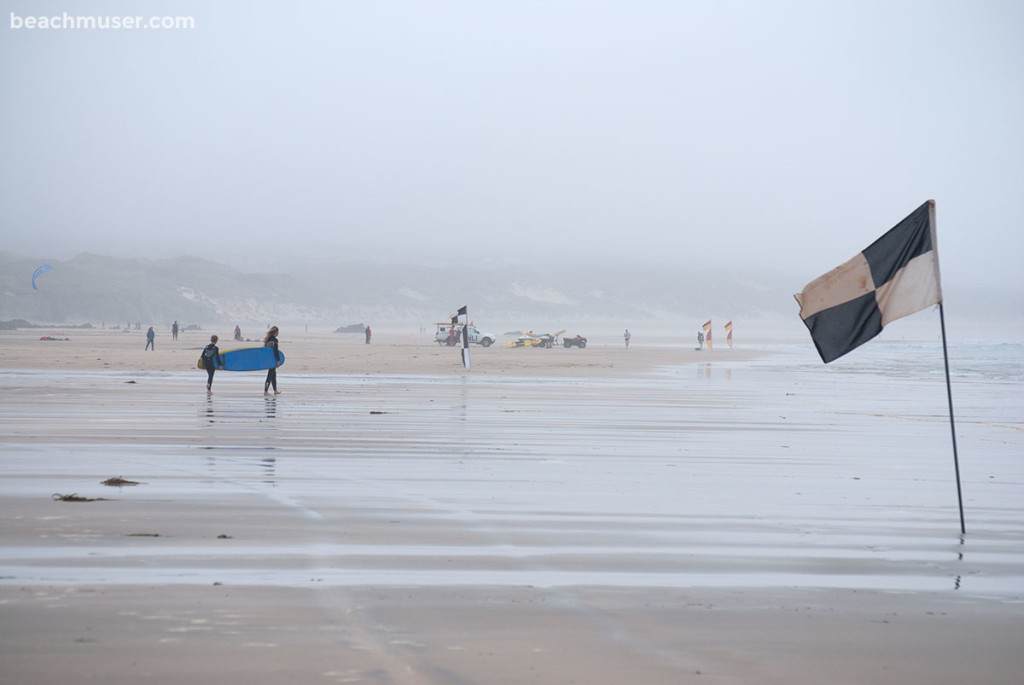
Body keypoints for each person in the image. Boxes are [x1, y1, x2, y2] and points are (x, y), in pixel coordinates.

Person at [263, 326, 281, 396]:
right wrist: (278, 360)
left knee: (273, 375)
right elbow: (275, 351)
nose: (278, 333)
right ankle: (265, 391)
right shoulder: (275, 340)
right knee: (270, 375)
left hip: (268, 359)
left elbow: (265, 351)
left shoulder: (267, 340)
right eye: (278, 332)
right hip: (273, 360)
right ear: (276, 332)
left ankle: (275, 390)